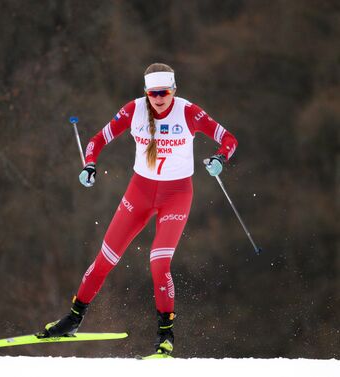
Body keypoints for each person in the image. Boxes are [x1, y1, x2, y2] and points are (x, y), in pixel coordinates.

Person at [41, 63, 238, 357]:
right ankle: (73, 318)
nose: (159, 98)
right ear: (146, 92)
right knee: (105, 259)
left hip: (177, 195)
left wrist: (220, 158)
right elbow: (97, 140)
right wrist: (90, 164)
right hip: (140, 192)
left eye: (164, 92)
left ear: (174, 90)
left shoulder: (188, 112)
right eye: (153, 93)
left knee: (158, 262)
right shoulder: (134, 111)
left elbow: (229, 140)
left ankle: (165, 337)